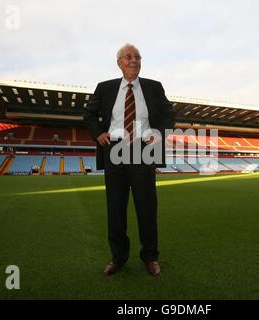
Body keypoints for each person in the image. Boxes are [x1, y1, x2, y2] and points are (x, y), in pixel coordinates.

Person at [84, 43, 176, 276]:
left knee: (147, 208)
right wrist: (98, 133)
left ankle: (150, 257)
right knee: (115, 209)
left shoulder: (153, 87)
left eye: (137, 56)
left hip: (143, 151)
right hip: (114, 149)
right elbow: (89, 115)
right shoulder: (104, 88)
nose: (133, 60)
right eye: (128, 56)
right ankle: (118, 257)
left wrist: (159, 133)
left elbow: (169, 115)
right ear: (119, 62)